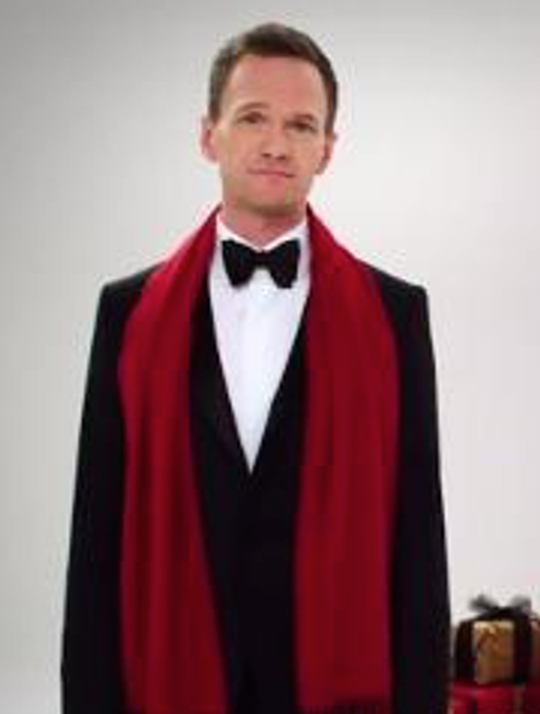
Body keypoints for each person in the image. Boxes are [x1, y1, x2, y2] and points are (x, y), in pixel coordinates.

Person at [61, 22, 448, 714]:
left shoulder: (396, 315)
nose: (276, 143)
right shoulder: (128, 313)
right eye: (252, 118)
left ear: (327, 149)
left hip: (336, 688)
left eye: (301, 125)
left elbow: (418, 542)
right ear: (208, 135)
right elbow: (96, 545)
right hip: (169, 682)